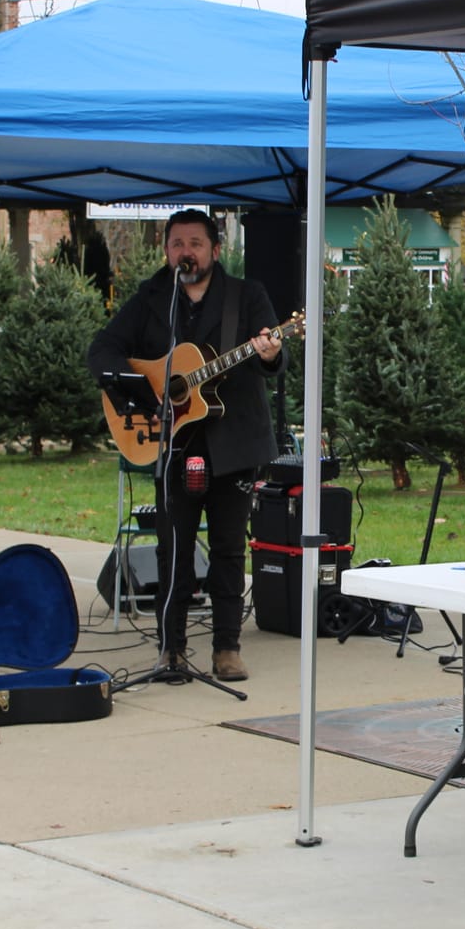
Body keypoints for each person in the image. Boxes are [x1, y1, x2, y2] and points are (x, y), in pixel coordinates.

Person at [89, 210, 284, 682]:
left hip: (232, 440)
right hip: (171, 443)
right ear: (167, 250)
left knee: (227, 549)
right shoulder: (152, 297)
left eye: (195, 243)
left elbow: (270, 358)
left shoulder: (247, 295)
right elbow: (103, 351)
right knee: (171, 549)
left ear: (215, 249)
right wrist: (148, 393)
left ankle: (226, 648)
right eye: (177, 244)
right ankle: (171, 649)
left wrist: (272, 352)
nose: (186, 252)